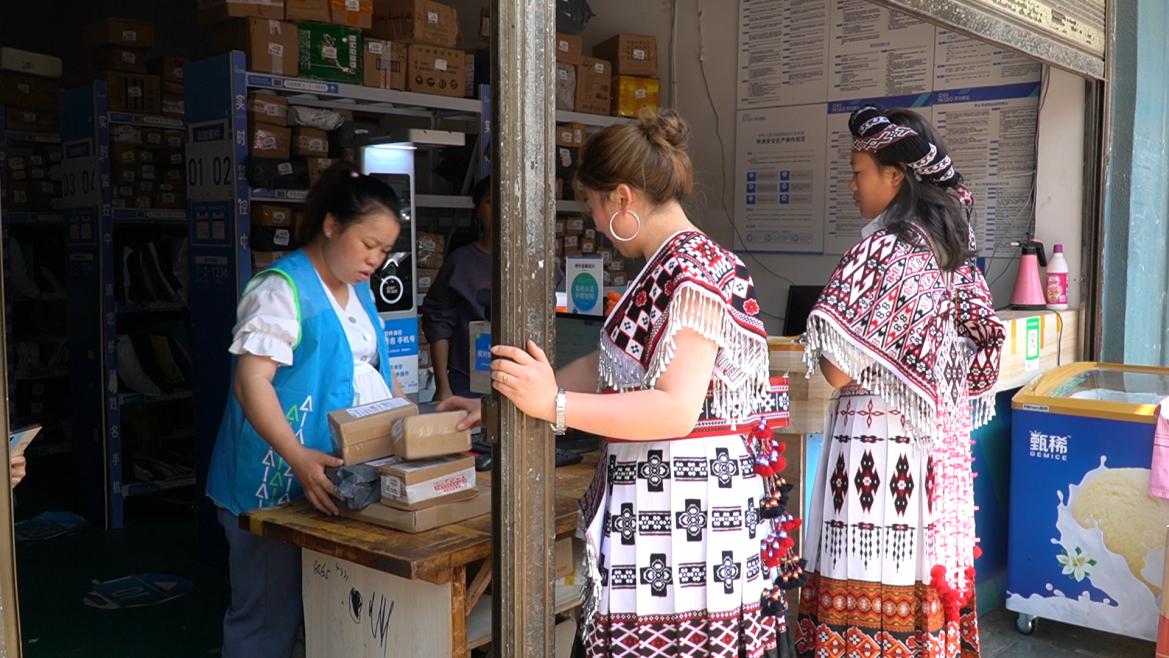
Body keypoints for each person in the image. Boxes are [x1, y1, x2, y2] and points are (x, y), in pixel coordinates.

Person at [441, 109, 802, 657]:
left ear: (622, 199)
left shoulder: (692, 269)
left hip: (685, 522)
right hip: (664, 510)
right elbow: (610, 365)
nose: (590, 216)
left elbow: (674, 409)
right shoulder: (666, 265)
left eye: (592, 201)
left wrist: (554, 405)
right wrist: (508, 401)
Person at [795, 106, 1005, 658]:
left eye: (859, 169)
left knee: (869, 572)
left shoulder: (885, 249)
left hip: (875, 464)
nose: (851, 182)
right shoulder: (948, 251)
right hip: (929, 461)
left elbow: (838, 369)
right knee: (917, 583)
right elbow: (980, 347)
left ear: (896, 176)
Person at [205, 161, 404, 658]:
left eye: (384, 251)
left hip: (338, 480)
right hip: (272, 486)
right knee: (266, 616)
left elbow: (380, 372)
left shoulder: (358, 290)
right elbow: (251, 383)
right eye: (368, 245)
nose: (375, 260)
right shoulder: (280, 289)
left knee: (330, 611)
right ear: (332, 224)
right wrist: (296, 455)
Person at [421, 176, 494, 399]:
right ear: (477, 211)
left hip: (523, 384)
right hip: (467, 383)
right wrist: (443, 387)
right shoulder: (460, 262)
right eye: (491, 201)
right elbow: (438, 323)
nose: (501, 209)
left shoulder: (536, 264)